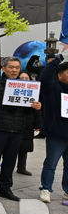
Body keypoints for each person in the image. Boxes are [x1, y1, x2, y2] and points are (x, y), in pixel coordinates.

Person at [0, 56, 42, 201]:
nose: (14, 70)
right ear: (3, 69)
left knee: (10, 161)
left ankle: (5, 188)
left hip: (17, 130)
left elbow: (27, 111)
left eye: (17, 68)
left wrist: (36, 108)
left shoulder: (26, 87)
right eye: (11, 67)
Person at [38, 57, 68, 204]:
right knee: (51, 163)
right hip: (56, 135)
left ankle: (67, 191)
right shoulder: (53, 87)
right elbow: (44, 77)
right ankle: (46, 189)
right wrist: (57, 60)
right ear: (60, 74)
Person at [16, 71, 41, 176]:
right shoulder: (13, 90)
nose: (24, 80)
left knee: (24, 147)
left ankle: (21, 167)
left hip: (28, 121)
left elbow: (38, 110)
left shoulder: (34, 92)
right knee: (12, 146)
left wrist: (37, 125)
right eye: (22, 78)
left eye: (26, 78)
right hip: (15, 120)